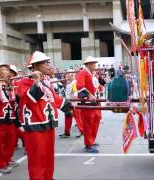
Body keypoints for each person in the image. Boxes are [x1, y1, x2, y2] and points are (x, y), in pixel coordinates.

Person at [18, 51, 73, 180]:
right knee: (37, 157)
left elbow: (54, 98)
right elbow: (31, 99)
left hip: (48, 123)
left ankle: (47, 177)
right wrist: (36, 82)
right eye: (45, 63)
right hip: (34, 125)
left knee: (48, 154)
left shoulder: (46, 82)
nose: (49, 65)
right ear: (35, 66)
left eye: (48, 62)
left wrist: (69, 107)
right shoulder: (24, 82)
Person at [76, 56, 102, 153]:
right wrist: (89, 95)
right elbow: (79, 85)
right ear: (89, 64)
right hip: (88, 103)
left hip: (96, 102)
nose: (95, 65)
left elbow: (96, 86)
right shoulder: (83, 72)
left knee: (96, 120)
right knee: (88, 123)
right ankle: (88, 144)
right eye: (93, 64)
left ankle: (92, 140)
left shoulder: (91, 74)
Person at [59, 69, 83, 138]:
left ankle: (82, 131)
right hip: (69, 103)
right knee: (68, 118)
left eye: (68, 74)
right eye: (66, 74)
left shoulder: (74, 82)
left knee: (78, 118)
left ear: (72, 75)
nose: (66, 76)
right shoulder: (69, 82)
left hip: (73, 103)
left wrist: (74, 102)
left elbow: (75, 92)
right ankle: (67, 133)